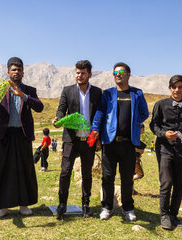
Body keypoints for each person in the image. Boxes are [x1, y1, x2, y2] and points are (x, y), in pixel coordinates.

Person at [91, 62, 149, 221]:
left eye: (121, 72)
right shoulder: (108, 94)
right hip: (110, 142)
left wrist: (135, 124)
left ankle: (128, 208)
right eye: (115, 73)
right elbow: (100, 113)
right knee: (107, 177)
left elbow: (144, 112)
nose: (118, 74)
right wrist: (96, 129)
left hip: (129, 143)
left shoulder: (137, 93)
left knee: (126, 178)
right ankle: (106, 207)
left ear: (128, 74)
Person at [0, 57, 44, 219]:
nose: (17, 72)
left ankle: (24, 205)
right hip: (4, 135)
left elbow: (40, 107)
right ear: (8, 72)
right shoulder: (0, 89)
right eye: (13, 69)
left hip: (22, 135)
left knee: (24, 169)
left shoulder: (29, 89)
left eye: (19, 69)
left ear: (23, 72)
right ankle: (3, 207)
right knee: (2, 170)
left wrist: (24, 96)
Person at [52, 60, 102, 219]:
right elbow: (61, 109)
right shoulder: (67, 90)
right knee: (65, 172)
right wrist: (58, 118)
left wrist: (98, 137)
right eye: (77, 73)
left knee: (87, 173)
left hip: (89, 140)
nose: (79, 76)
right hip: (71, 139)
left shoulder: (97, 92)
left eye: (83, 73)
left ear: (90, 74)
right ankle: (62, 204)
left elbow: (100, 116)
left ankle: (86, 205)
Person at [150, 75, 182, 230]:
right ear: (169, 88)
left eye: (180, 87)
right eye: (174, 87)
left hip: (181, 149)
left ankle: (173, 215)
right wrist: (164, 134)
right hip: (164, 148)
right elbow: (154, 125)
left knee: (180, 184)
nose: (177, 90)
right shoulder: (160, 105)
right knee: (167, 182)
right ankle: (164, 216)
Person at [133, 123, 146, 195]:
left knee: (133, 173)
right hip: (133, 158)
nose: (143, 130)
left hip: (136, 158)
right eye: (142, 128)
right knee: (140, 174)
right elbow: (131, 147)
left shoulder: (137, 137)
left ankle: (131, 190)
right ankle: (128, 182)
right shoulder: (134, 137)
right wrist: (139, 150)